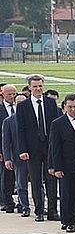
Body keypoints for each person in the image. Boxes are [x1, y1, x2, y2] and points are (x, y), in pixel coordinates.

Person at [15, 74, 60, 222]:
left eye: (40, 86)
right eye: (35, 86)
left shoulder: (50, 103)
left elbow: (55, 126)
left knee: (51, 179)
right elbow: (20, 129)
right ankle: (39, 210)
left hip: (49, 146)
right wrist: (22, 150)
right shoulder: (23, 106)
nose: (38, 89)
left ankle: (52, 210)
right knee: (35, 180)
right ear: (29, 87)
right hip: (32, 148)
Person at [48, 94, 75, 232]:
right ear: (64, 108)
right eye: (70, 107)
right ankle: (67, 220)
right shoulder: (58, 123)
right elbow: (54, 146)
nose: (73, 109)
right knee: (67, 194)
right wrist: (56, 167)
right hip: (66, 165)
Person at [3, 93, 29, 216]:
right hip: (18, 157)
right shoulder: (8, 121)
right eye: (18, 103)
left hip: (33, 156)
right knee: (21, 183)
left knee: (38, 184)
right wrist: (7, 158)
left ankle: (39, 206)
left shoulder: (32, 118)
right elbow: (6, 141)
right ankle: (24, 206)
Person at [0, 84, 18, 213]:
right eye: (9, 94)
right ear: (3, 95)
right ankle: (7, 201)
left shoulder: (20, 108)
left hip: (19, 148)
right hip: (5, 149)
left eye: (13, 94)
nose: (12, 97)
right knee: (7, 176)